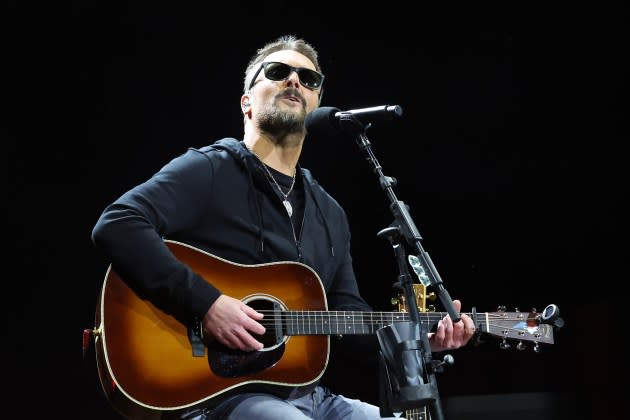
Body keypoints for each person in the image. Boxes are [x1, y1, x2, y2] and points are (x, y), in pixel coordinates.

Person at [91, 34, 476, 420]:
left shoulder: (329, 212)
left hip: (311, 398)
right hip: (221, 398)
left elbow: (345, 315)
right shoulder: (211, 169)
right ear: (246, 102)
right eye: (278, 72)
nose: (295, 81)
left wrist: (415, 341)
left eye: (309, 80)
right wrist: (207, 304)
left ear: (316, 104)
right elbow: (118, 224)